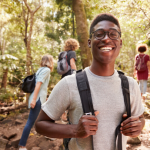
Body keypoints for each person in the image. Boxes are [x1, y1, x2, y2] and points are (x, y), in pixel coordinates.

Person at [35, 13, 145, 150]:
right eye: (99, 34)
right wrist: (75, 130)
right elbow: (40, 124)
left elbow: (140, 118)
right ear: (89, 42)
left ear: (120, 42)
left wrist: (138, 126)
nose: (106, 39)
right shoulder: (69, 84)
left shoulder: (130, 84)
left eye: (113, 34)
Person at [19, 54, 53, 150]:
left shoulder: (40, 70)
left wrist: (44, 98)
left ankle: (49, 134)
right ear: (50, 61)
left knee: (48, 116)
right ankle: (22, 146)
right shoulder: (46, 70)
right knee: (30, 122)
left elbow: (41, 87)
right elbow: (38, 84)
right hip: (37, 100)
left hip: (39, 99)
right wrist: (34, 100)